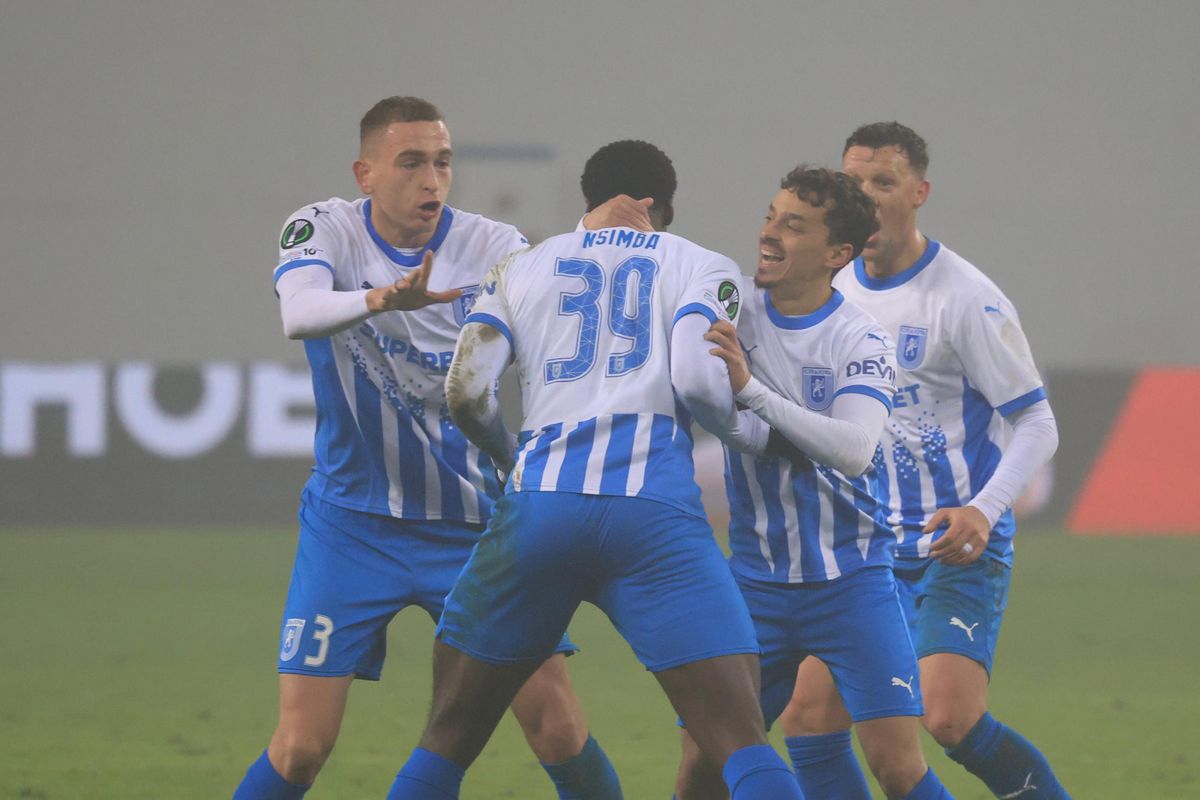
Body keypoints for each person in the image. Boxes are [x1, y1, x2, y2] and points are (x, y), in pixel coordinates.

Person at [386, 140, 804, 799]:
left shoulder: (520, 266)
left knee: (446, 740)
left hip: (538, 509)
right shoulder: (700, 264)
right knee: (740, 742)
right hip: (653, 515)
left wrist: (507, 455)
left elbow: (465, 391)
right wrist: (745, 432)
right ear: (654, 206)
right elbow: (699, 381)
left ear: (590, 199)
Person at [232, 96, 621, 800]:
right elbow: (300, 313)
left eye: (442, 162)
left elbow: (547, 353)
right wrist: (381, 299)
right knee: (299, 751)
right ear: (366, 173)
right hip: (352, 527)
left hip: (474, 530)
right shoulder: (323, 231)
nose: (431, 180)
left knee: (558, 727)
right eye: (411, 162)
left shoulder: (496, 247)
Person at [778, 122, 1069, 799]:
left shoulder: (964, 297)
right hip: (864, 547)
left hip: (952, 541)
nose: (868, 196)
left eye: (884, 182)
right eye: (854, 183)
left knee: (949, 717)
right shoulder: (830, 289)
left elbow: (1037, 421)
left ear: (919, 192)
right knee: (810, 718)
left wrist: (982, 509)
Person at [671, 166, 953, 800]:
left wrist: (751, 392)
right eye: (771, 215)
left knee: (899, 768)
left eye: (792, 225)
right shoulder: (729, 307)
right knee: (702, 765)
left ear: (837, 255)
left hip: (851, 584)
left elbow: (853, 450)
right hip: (752, 585)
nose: (769, 233)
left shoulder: (861, 338)